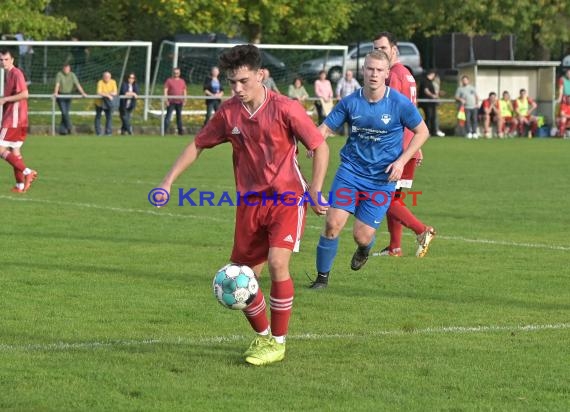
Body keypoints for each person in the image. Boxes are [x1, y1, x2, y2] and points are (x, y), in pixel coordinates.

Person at [156, 44, 329, 365]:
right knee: (241, 277)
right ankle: (263, 337)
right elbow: (197, 145)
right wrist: (168, 181)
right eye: (232, 82)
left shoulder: (286, 108)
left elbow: (319, 146)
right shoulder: (228, 113)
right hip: (250, 205)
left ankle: (278, 342)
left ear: (261, 75)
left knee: (278, 264)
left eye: (243, 81)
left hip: (286, 198)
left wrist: (316, 189)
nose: (236, 89)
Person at [309, 50, 429, 290]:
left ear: (387, 74)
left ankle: (365, 248)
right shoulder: (351, 102)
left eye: (379, 70)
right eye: (369, 69)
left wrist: (402, 161)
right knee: (332, 224)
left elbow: (422, 131)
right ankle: (322, 279)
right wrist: (312, 142)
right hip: (350, 173)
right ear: (363, 71)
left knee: (361, 236)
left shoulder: (399, 103)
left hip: (381, 180)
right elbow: (325, 129)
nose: (373, 74)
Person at [372, 31, 436, 259]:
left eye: (382, 48)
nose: (378, 52)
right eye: (375, 49)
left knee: (380, 197)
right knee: (392, 197)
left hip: (397, 148)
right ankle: (395, 248)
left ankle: (422, 230)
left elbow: (390, 114)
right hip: (409, 146)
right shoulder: (406, 74)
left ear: (394, 50)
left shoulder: (394, 76)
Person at [0, 49, 37, 193]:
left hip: (13, 120)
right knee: (15, 152)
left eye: (6, 59)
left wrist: (5, 99)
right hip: (18, 120)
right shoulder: (9, 75)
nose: (3, 62)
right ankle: (20, 185)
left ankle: (28, 172)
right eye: (1, 60)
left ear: (12, 60)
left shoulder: (16, 73)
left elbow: (25, 94)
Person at [53, 63, 88, 135]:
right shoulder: (59, 74)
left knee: (65, 113)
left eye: (68, 68)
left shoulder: (72, 75)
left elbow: (77, 84)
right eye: (65, 68)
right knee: (64, 112)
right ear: (63, 69)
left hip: (68, 95)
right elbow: (57, 84)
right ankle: (70, 127)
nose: (66, 70)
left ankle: (63, 131)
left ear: (70, 69)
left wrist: (83, 93)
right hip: (61, 95)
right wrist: (55, 92)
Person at [418, 69, 444, 137]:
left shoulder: (430, 82)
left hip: (431, 103)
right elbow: (426, 90)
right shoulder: (425, 81)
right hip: (427, 103)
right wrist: (433, 96)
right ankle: (427, 131)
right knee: (428, 117)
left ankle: (433, 131)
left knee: (432, 117)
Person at [163, 67, 186, 135]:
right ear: (173, 73)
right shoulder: (169, 80)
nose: (176, 74)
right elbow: (165, 90)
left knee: (179, 117)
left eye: (177, 73)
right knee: (168, 117)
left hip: (179, 102)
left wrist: (185, 99)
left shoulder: (182, 81)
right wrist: (166, 99)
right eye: (175, 73)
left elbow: (184, 90)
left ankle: (180, 132)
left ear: (179, 73)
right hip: (171, 102)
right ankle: (164, 131)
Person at [94, 71, 118, 136]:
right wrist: (108, 95)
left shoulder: (113, 82)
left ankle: (108, 132)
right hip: (99, 103)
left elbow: (115, 92)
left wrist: (107, 94)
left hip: (108, 103)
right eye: (105, 77)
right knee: (98, 116)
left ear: (110, 77)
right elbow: (99, 92)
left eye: (108, 77)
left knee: (109, 117)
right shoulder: (100, 82)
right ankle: (98, 132)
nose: (107, 78)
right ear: (103, 77)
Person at [556, 68, 570, 137]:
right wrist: (559, 98)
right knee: (562, 118)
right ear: (566, 73)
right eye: (569, 73)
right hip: (565, 99)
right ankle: (561, 133)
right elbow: (561, 90)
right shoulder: (562, 79)